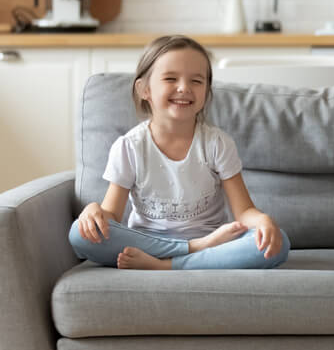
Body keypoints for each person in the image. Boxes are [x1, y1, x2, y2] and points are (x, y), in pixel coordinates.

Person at [69, 35, 289, 270]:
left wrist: (263, 220)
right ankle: (193, 251)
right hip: (155, 243)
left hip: (214, 242)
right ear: (144, 89)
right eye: (171, 78)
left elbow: (244, 211)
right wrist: (95, 211)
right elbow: (111, 213)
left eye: (196, 81)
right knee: (78, 235)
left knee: (279, 243)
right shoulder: (129, 146)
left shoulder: (218, 143)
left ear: (206, 91)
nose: (184, 88)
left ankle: (167, 265)